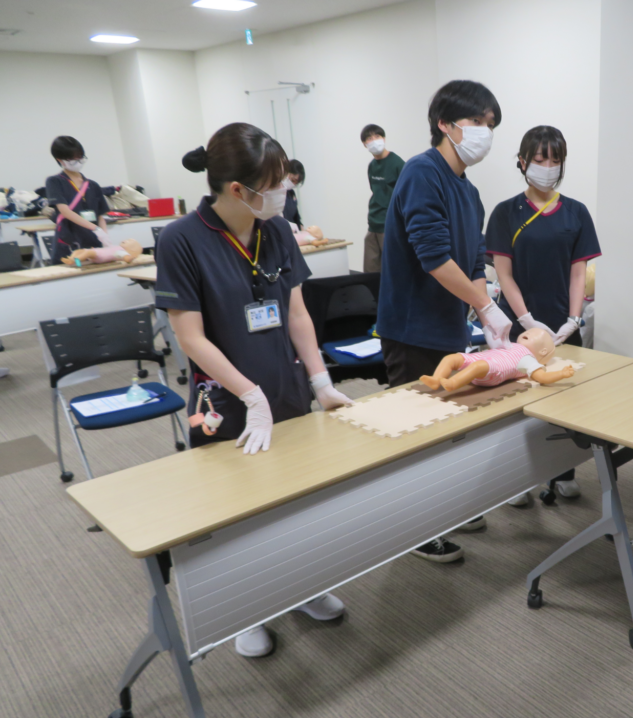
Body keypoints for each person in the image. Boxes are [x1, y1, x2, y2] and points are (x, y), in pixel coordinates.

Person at [157, 122, 355, 658]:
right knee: (240, 511)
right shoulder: (181, 239)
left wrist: (320, 380)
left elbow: (296, 312)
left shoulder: (278, 229)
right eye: (275, 183)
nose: (284, 191)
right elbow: (190, 337)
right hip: (225, 401)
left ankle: (303, 588)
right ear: (238, 190)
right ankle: (250, 610)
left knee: (296, 501)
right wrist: (249, 395)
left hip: (286, 389)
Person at [376, 79, 511, 563]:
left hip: (450, 328)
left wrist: (482, 304)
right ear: (445, 124)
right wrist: (485, 307)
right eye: (477, 121)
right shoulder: (421, 172)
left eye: (490, 124)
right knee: (415, 434)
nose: (484, 132)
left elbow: (472, 259)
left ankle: (443, 510)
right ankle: (415, 530)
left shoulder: (468, 191)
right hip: (412, 327)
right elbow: (433, 257)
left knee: (446, 429)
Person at [486, 125, 600, 502]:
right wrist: (526, 320)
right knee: (518, 402)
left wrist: (573, 319)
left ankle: (563, 470)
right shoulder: (505, 212)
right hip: (519, 326)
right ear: (522, 162)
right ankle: (517, 481)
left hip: (562, 325)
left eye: (555, 160)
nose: (548, 167)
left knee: (564, 399)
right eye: (539, 159)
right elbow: (503, 275)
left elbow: (578, 273)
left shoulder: (576, 212)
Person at [45, 136, 115, 265]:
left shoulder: (93, 185)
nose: (78, 162)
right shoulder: (54, 182)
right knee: (72, 270)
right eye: (72, 160)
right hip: (70, 241)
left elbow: (100, 215)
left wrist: (104, 236)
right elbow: (65, 211)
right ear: (60, 160)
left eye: (80, 158)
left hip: (93, 241)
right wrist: (95, 229)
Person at [361, 123, 405, 272]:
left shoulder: (397, 163)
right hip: (373, 223)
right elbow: (375, 191)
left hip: (391, 225)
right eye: (369, 138)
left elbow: (407, 195)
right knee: (370, 271)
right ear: (364, 144)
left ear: (384, 138)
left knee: (393, 270)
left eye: (377, 136)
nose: (374, 140)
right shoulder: (372, 166)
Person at [283, 158, 304, 229]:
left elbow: (296, 217)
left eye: (296, 183)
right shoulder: (275, 191)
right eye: (292, 180)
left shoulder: (291, 193)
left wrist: (301, 227)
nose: (293, 184)